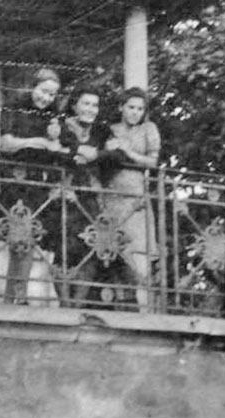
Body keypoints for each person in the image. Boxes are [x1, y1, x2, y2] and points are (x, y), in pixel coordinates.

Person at [0, 68, 66, 304]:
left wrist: (54, 138)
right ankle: (15, 296)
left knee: (29, 239)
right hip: (14, 179)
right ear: (33, 86)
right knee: (18, 239)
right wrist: (36, 142)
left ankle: (15, 295)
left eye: (52, 95)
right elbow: (5, 143)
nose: (46, 98)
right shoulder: (14, 106)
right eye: (43, 91)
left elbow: (56, 149)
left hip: (37, 182)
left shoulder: (53, 115)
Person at [100, 87, 161, 305]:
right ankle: (122, 304)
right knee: (115, 253)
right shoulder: (110, 130)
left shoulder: (148, 129)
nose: (135, 112)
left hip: (136, 199)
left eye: (140, 109)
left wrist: (129, 153)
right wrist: (109, 150)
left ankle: (143, 306)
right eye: (131, 107)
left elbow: (153, 162)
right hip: (112, 197)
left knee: (139, 253)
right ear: (121, 107)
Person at [53, 89, 109, 306]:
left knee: (90, 249)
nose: (91, 109)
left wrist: (96, 155)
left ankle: (77, 304)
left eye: (95, 105)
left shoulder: (101, 132)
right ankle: (65, 304)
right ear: (74, 106)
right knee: (63, 251)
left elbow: (115, 153)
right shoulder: (62, 127)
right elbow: (60, 150)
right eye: (86, 104)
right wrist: (77, 151)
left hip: (90, 198)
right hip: (64, 195)